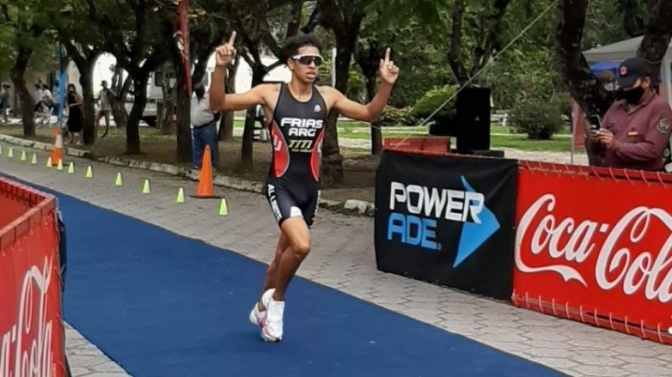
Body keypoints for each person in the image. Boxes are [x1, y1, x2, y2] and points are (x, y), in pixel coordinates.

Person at [209, 32, 399, 342]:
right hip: (281, 185)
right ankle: (278, 304)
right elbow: (218, 102)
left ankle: (260, 307)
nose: (313, 66)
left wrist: (386, 84)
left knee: (280, 258)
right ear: (290, 64)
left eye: (317, 61)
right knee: (301, 245)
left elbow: (369, 113)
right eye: (306, 60)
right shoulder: (270, 94)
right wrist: (220, 67)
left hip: (310, 189)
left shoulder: (327, 96)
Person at [587, 56, 672, 171]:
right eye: (623, 85)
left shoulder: (659, 108)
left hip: (643, 181)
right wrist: (594, 140)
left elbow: (653, 150)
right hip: (613, 177)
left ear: (646, 82)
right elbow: (599, 148)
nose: (625, 90)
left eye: (630, 85)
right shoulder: (617, 106)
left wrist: (615, 145)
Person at [191, 82, 220, 170]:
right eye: (196, 90)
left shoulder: (209, 100)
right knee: (197, 146)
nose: (197, 92)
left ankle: (213, 165)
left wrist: (213, 121)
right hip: (196, 127)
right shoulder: (194, 100)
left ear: (203, 90)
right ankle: (196, 164)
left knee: (210, 146)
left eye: (199, 90)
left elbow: (217, 112)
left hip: (207, 126)